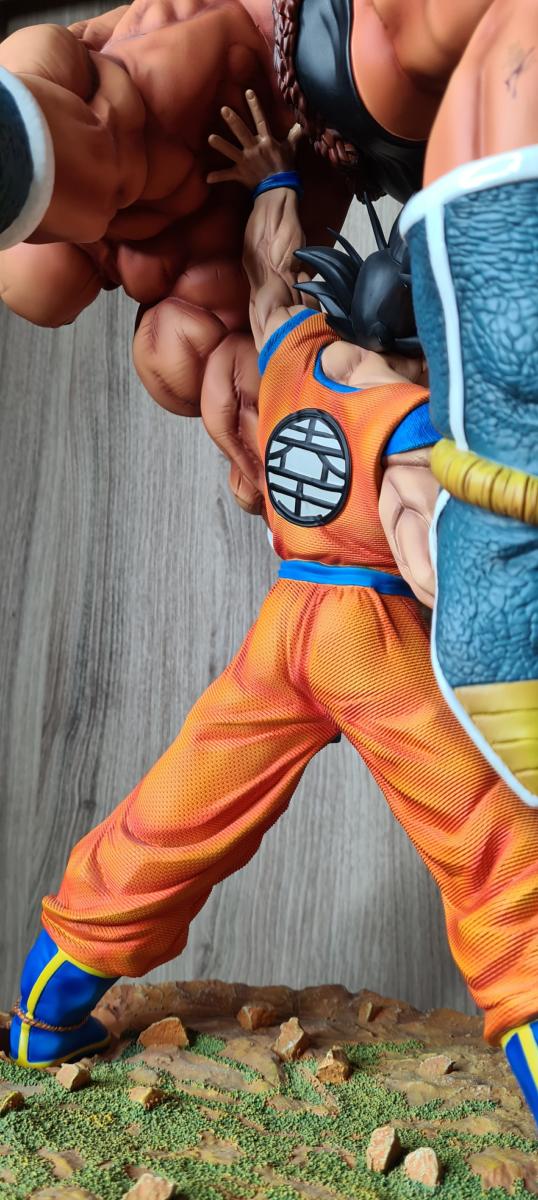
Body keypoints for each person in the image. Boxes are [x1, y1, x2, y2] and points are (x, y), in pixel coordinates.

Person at [10, 92, 538, 1126]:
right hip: (374, 639)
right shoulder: (413, 421)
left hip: (286, 625)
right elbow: (439, 573)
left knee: (182, 806)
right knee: (487, 843)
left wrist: (275, 181)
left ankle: (47, 1005)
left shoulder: (294, 348)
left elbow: (266, 270)